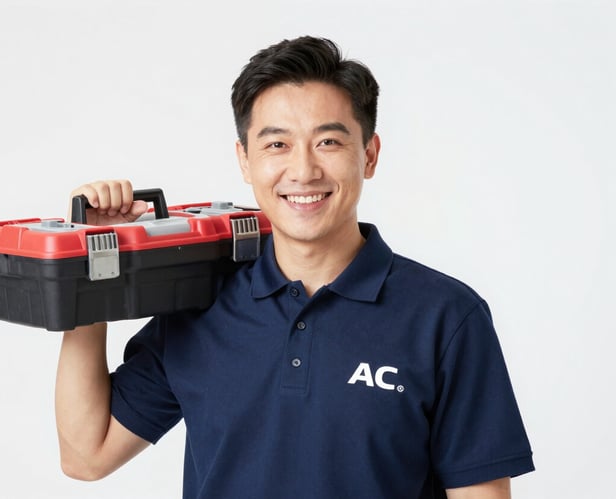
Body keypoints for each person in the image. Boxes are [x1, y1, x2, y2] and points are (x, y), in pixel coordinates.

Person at [54, 36, 534, 498]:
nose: (303, 171)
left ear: (368, 155)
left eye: (327, 142)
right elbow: (86, 456)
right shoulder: (199, 302)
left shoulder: (446, 317)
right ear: (244, 160)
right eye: (276, 145)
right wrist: (90, 260)